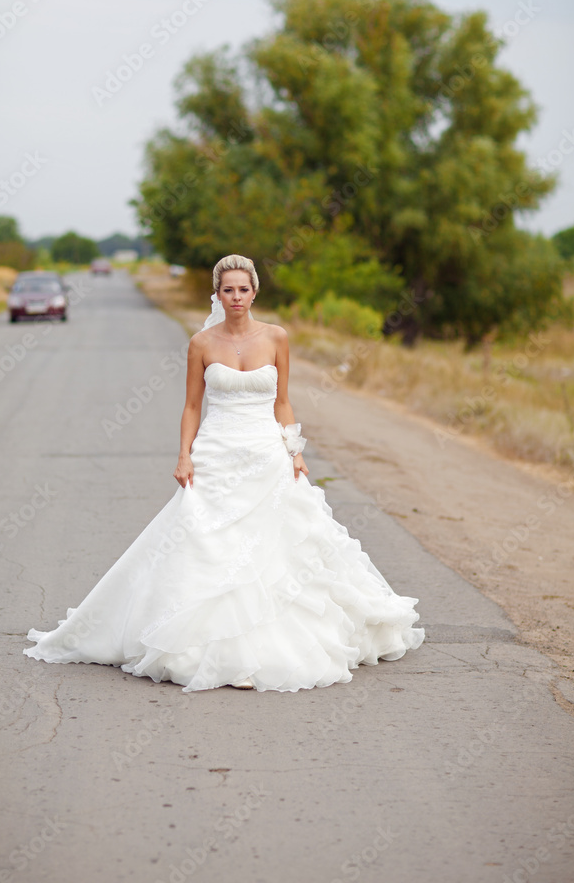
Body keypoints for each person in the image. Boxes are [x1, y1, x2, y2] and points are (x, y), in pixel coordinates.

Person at [24, 254, 425, 691]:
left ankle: (270, 640)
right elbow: (193, 406)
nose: (236, 297)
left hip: (266, 452)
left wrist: (294, 451)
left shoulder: (277, 338)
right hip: (216, 452)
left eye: (243, 289)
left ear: (255, 292)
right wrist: (184, 455)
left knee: (277, 544)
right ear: (217, 294)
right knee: (206, 541)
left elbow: (283, 402)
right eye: (227, 290)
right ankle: (202, 644)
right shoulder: (202, 343)